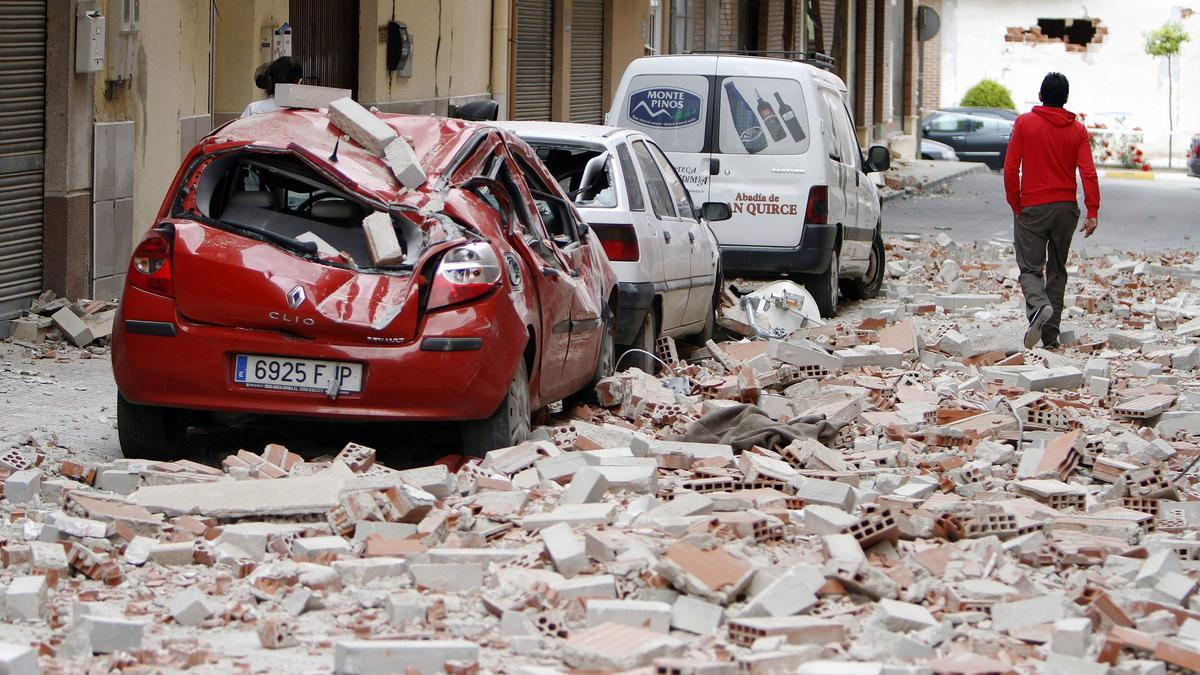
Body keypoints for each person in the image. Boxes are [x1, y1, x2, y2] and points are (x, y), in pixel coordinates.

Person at [1004, 72, 1100, 350]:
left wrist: (1016, 203)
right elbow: (1088, 172)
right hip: (1066, 210)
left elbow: (1011, 168)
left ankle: (1038, 307)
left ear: (1041, 95)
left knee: (1030, 269)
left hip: (1032, 207)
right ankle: (1050, 335)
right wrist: (1091, 210)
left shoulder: (1024, 123)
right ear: (1066, 99)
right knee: (1057, 269)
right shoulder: (1078, 130)